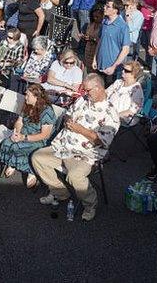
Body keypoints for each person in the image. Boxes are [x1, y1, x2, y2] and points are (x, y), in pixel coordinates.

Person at [32, 74, 120, 222]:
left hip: (84, 154)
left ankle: (90, 204)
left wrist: (79, 129)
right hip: (63, 146)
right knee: (38, 157)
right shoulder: (83, 100)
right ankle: (60, 192)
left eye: (88, 90)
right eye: (84, 90)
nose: (85, 93)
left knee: (74, 176)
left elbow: (101, 141)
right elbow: (68, 114)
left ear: (99, 88)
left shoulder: (110, 114)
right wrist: (68, 120)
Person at [0, 83, 56, 188]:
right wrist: (17, 133)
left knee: (18, 146)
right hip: (24, 133)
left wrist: (24, 138)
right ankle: (14, 163)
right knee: (7, 142)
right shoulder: (28, 105)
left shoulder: (47, 111)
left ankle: (32, 170)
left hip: (39, 139)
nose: (25, 97)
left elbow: (45, 135)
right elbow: (19, 121)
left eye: (28, 95)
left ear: (36, 97)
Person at [95, 0, 131, 86]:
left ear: (115, 10)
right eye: (105, 5)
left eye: (108, 6)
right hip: (100, 65)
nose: (104, 8)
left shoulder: (122, 26)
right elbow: (99, 41)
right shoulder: (104, 22)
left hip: (112, 69)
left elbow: (125, 49)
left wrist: (114, 67)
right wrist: (94, 59)